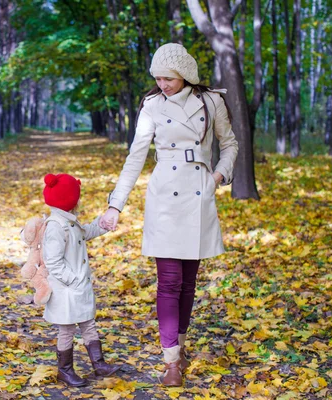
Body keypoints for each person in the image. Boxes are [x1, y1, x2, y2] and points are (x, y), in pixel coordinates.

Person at [99, 43, 238, 387]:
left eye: (168, 78)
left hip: (198, 194)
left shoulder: (211, 101)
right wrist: (116, 204)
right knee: (170, 281)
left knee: (188, 283)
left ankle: (181, 343)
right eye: (157, 78)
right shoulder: (151, 106)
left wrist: (218, 176)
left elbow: (230, 143)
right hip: (164, 197)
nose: (162, 84)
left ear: (184, 75)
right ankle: (171, 360)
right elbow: (135, 156)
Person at [40, 173, 121, 387]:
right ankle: (65, 371)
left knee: (88, 323)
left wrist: (102, 224)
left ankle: (99, 364)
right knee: (67, 330)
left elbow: (86, 232)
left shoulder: (70, 222)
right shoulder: (56, 227)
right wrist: (73, 280)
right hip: (66, 289)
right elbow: (53, 261)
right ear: (69, 200)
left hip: (78, 287)